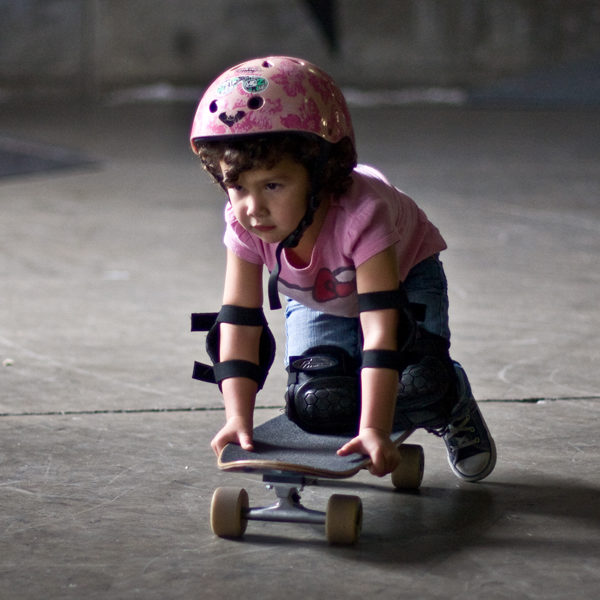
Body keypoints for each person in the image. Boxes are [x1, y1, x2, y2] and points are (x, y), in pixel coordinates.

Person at [189, 56, 496, 482]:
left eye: (273, 185)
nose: (252, 208)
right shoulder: (244, 222)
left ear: (321, 171)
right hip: (318, 292)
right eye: (237, 186)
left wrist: (373, 429)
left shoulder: (362, 215)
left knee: (420, 381)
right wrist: (237, 417)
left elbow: (380, 328)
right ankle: (361, 399)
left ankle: (453, 396)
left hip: (404, 275)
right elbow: (240, 323)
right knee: (320, 402)